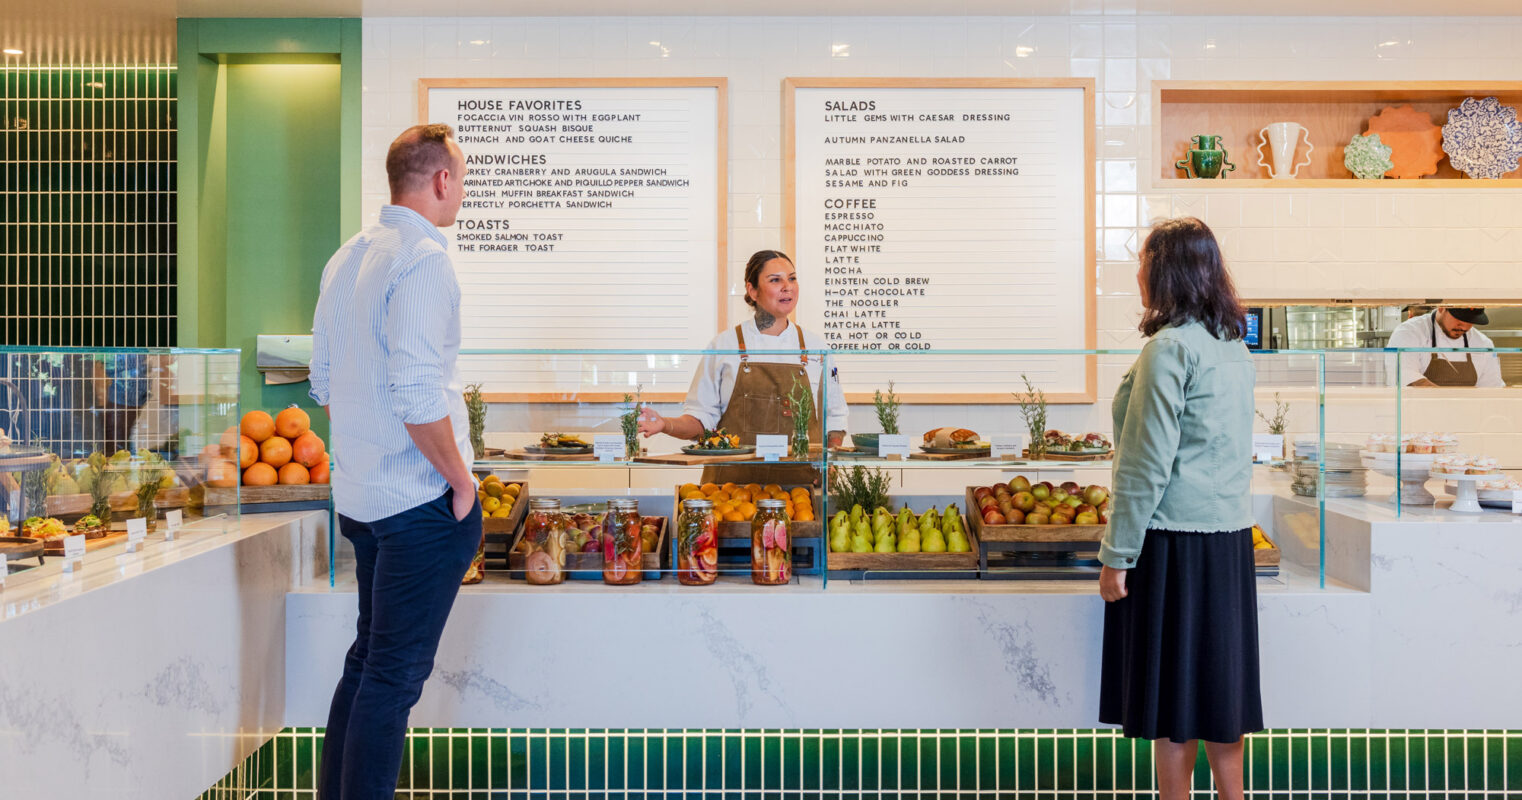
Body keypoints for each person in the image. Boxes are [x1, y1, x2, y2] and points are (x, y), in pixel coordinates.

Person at [310, 123, 481, 800]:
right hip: (417, 504)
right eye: (462, 179)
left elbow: (322, 381)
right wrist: (461, 483)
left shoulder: (348, 256)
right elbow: (415, 393)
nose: (462, 192)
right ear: (441, 180)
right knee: (393, 677)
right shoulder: (424, 259)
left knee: (367, 665)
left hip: (362, 499)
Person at [1098, 217, 1261, 800]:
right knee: (1222, 692)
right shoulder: (1230, 344)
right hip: (1228, 539)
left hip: (1173, 542)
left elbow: (1146, 465)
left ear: (1164, 271)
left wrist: (1116, 556)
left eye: (1143, 261)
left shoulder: (1169, 348)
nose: (1138, 272)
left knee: (1174, 700)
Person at [636, 249, 847, 485]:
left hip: (801, 494)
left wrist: (832, 459)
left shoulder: (816, 348)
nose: (787, 286)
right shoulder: (724, 346)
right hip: (731, 491)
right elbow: (700, 419)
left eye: (792, 278)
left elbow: (835, 417)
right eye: (775, 280)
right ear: (752, 290)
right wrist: (666, 424)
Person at [1385, 307, 1502, 387]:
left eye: (1470, 321)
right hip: (1419, 416)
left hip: (1467, 417)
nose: (1464, 327)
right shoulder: (1410, 332)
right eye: (1459, 319)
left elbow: (1492, 386)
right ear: (1442, 307)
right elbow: (1404, 376)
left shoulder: (1483, 343)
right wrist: (1448, 404)